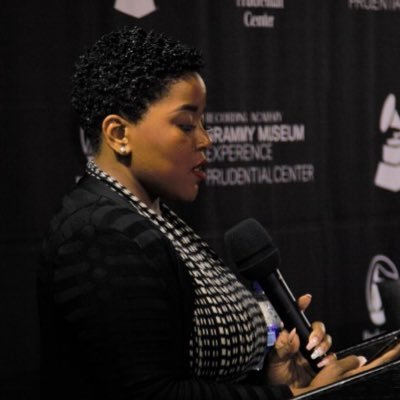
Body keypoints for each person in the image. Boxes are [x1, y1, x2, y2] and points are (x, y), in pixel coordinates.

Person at [38, 26, 400, 400]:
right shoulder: (100, 235)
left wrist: (272, 378)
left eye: (203, 123)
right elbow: (152, 393)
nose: (206, 139)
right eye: (186, 125)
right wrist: (290, 397)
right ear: (118, 134)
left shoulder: (151, 217)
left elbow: (191, 375)